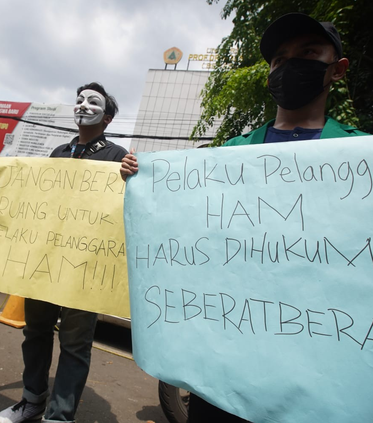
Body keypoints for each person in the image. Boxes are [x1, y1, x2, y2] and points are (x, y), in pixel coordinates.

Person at [120, 12, 369, 422]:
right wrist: (142, 183)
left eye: (308, 53)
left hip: (319, 377)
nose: (290, 66)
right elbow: (186, 238)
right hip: (223, 374)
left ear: (336, 70)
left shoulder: (360, 156)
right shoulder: (228, 155)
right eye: (280, 58)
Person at [0, 82, 127, 423]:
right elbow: (36, 201)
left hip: (87, 269)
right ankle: (32, 400)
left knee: (75, 344)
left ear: (107, 118)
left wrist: (133, 177)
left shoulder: (117, 157)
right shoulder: (58, 153)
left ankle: (59, 417)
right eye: (78, 99)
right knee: (35, 331)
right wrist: (0, 189)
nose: (82, 105)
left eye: (93, 101)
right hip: (46, 262)